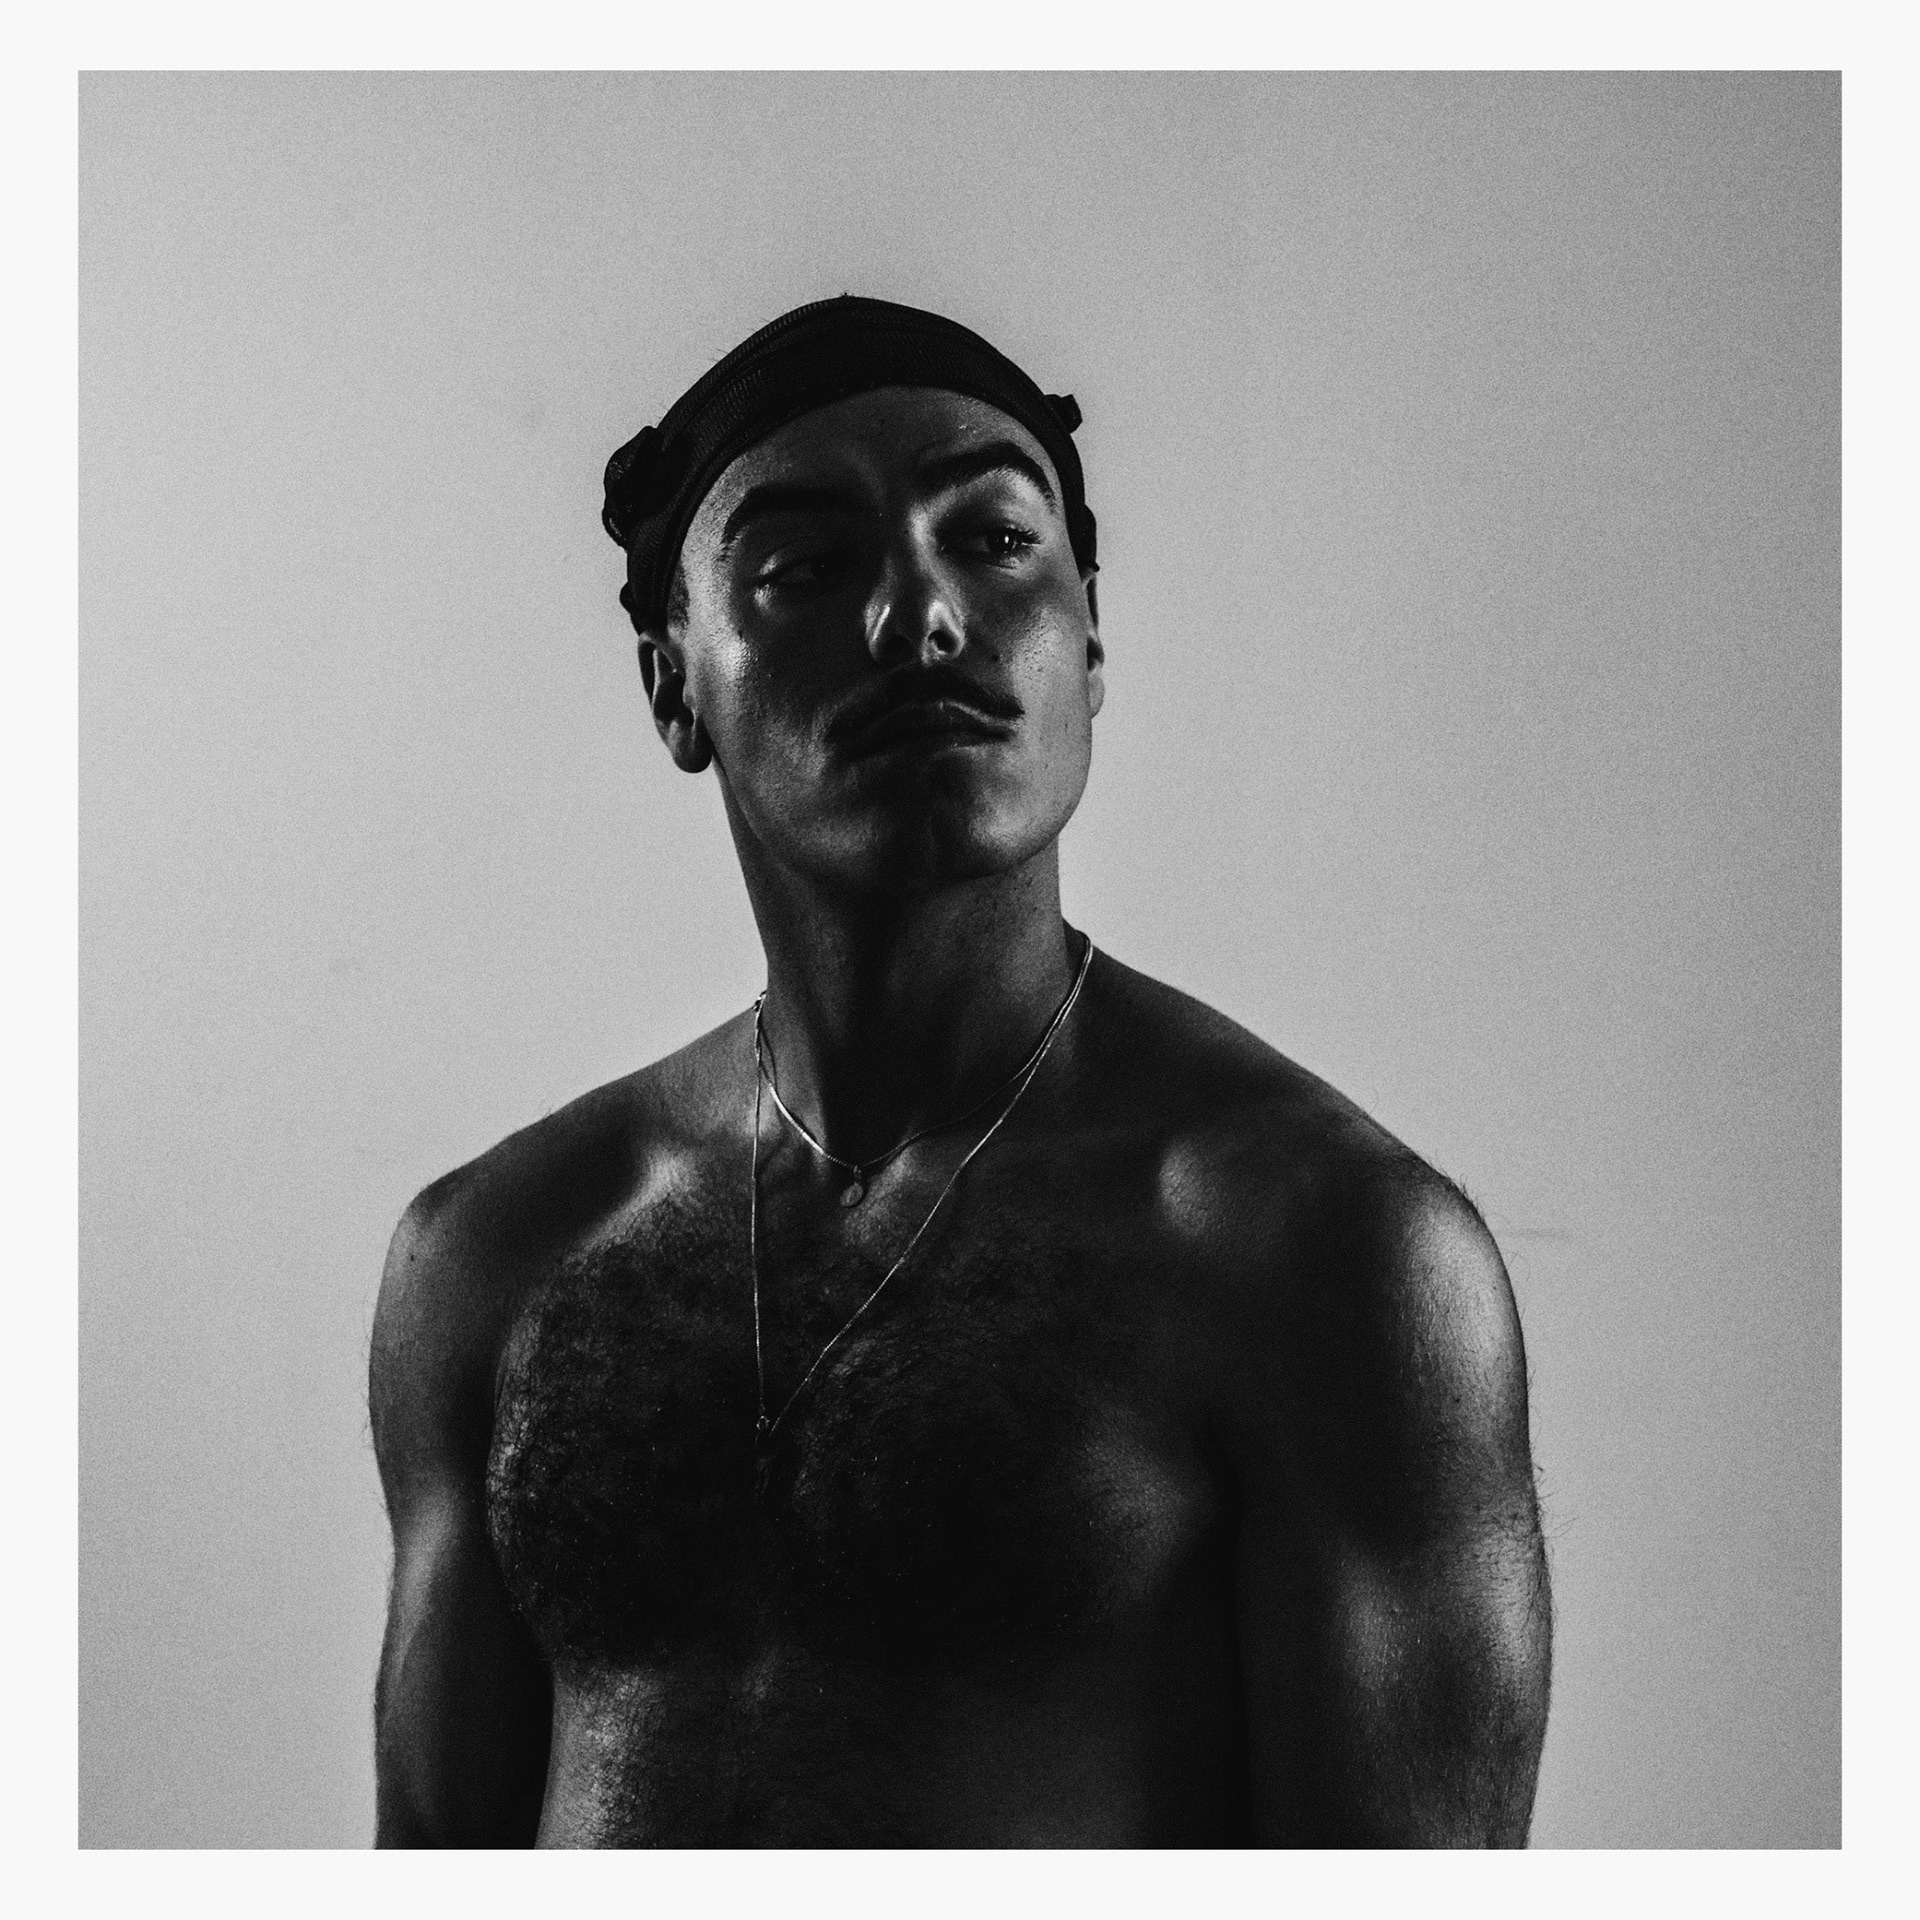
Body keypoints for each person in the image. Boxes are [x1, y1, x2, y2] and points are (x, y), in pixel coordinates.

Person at [369, 296, 1552, 1847]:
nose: (921, 617)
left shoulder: (1316, 1252)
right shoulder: (501, 1255)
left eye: (994, 542)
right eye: (805, 568)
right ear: (675, 686)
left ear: (1090, 642)